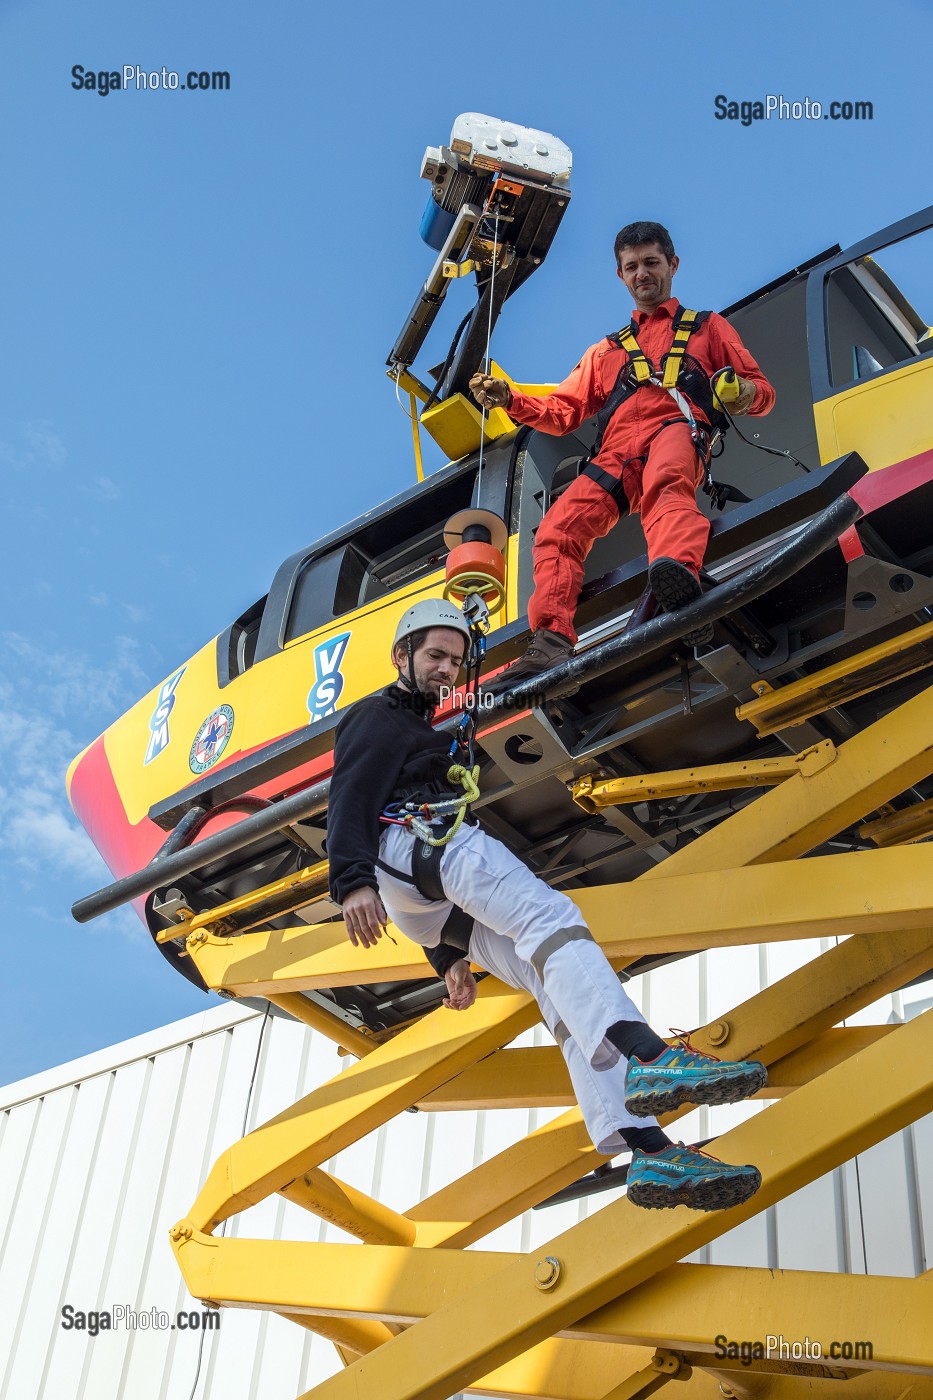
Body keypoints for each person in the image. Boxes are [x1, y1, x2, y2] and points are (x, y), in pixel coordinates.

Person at [326, 597, 768, 1211]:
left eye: (454, 661)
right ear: (400, 655)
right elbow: (348, 795)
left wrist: (444, 954)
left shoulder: (419, 724)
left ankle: (650, 1151)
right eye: (433, 656)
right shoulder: (375, 716)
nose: (445, 670)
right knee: (552, 921)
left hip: (421, 887)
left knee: (546, 977)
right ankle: (649, 1056)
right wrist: (352, 881)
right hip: (419, 839)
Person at [470, 220, 776, 676]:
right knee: (557, 528)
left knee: (667, 485)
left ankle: (679, 578)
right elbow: (561, 411)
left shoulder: (709, 328)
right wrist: (510, 398)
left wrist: (744, 395)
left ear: (673, 265)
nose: (642, 273)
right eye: (631, 266)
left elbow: (761, 391)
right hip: (615, 455)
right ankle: (550, 641)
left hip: (675, 428)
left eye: (651, 263)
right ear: (620, 275)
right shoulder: (605, 352)